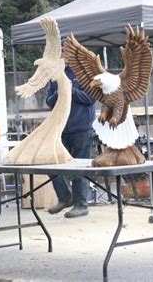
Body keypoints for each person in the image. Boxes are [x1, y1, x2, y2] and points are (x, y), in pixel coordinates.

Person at [46, 58, 96, 218]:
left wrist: (72, 91)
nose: (63, 57)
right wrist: (58, 93)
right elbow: (49, 101)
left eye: (66, 53)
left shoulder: (85, 73)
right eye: (60, 54)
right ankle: (64, 197)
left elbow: (91, 98)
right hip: (61, 127)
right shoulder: (55, 74)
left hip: (81, 127)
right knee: (52, 163)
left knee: (79, 167)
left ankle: (81, 205)